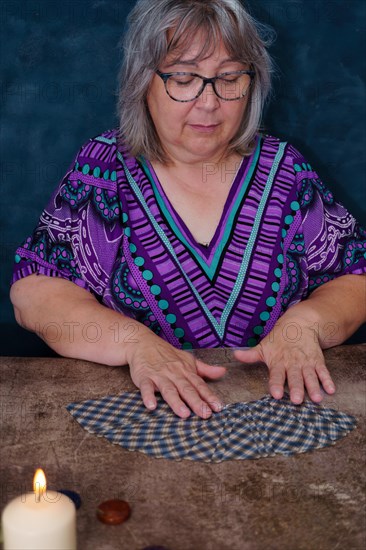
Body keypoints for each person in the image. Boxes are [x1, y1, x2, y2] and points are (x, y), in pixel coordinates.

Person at [10, 0, 366, 420]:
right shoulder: (105, 168)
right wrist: (133, 342)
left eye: (229, 78)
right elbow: (34, 295)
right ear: (143, 82)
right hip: (142, 417)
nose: (209, 101)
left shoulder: (286, 170)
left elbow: (354, 277)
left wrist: (304, 324)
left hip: (280, 414)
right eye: (183, 78)